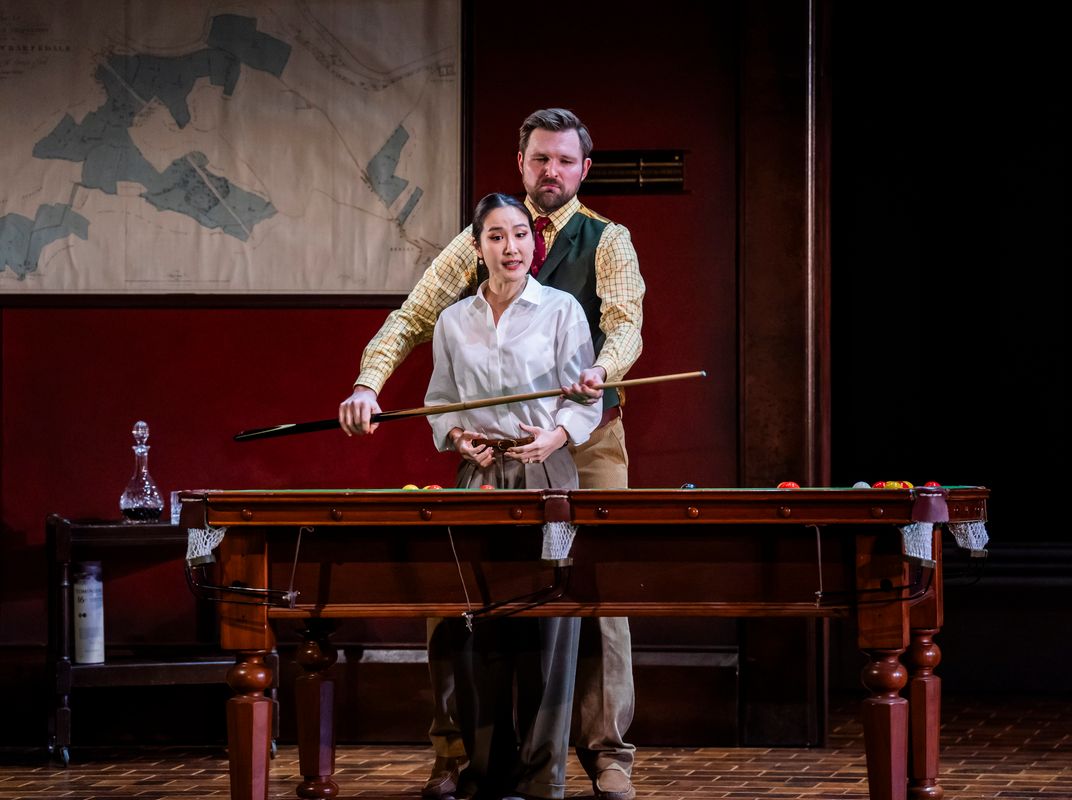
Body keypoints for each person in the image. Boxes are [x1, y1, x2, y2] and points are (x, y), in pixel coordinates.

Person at [340, 108, 644, 800]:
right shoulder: (480, 238)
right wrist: (368, 382)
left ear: (583, 169)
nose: (551, 172)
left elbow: (626, 324)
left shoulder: (607, 240)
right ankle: (458, 752)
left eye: (565, 161)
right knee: (462, 594)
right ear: (522, 163)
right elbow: (415, 317)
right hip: (493, 448)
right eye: (540, 159)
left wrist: (602, 371)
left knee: (597, 593)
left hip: (584, 434)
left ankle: (605, 753)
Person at [426, 192, 601, 800]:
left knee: (549, 628)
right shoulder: (454, 320)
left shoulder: (561, 310)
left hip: (546, 475)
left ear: (536, 243)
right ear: (478, 248)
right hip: (480, 480)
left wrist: (554, 434)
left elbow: (586, 400)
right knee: (480, 623)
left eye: (521, 235)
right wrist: (455, 436)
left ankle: (542, 776)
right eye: (497, 237)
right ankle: (484, 771)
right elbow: (440, 400)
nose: (512, 247)